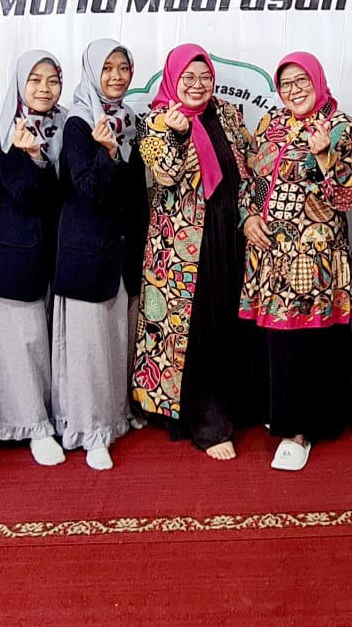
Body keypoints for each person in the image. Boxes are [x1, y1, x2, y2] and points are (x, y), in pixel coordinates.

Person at [132, 44, 259, 459]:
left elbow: (250, 165)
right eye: (188, 77)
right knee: (195, 328)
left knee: (228, 321)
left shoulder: (226, 113)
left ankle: (233, 404)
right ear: (172, 79)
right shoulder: (155, 122)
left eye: (205, 77)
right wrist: (177, 133)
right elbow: (166, 175)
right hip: (183, 247)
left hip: (230, 233)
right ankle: (206, 422)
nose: (197, 84)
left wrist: (252, 211)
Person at [240, 52, 352, 472]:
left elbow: (347, 199)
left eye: (302, 81)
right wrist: (247, 217)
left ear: (318, 80)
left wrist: (326, 156)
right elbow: (252, 180)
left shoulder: (342, 126)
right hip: (268, 253)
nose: (294, 90)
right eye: (286, 83)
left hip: (313, 255)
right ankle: (284, 412)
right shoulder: (270, 124)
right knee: (278, 342)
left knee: (305, 339)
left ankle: (298, 430)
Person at [51, 39, 148, 470]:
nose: (116, 76)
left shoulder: (131, 122)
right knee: (89, 348)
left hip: (121, 250)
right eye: (106, 68)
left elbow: (135, 193)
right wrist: (107, 154)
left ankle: (117, 414)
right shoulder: (78, 123)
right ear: (92, 72)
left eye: (122, 68)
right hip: (87, 250)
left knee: (116, 340)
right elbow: (87, 189)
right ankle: (91, 430)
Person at [0, 50, 67, 467]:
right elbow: (23, 196)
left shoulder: (70, 124)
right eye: (34, 80)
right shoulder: (2, 131)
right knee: (22, 345)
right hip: (17, 253)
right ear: (20, 84)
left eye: (52, 80)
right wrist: (33, 158)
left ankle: (58, 416)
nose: (44, 88)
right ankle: (31, 425)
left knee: (55, 342)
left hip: (61, 250)